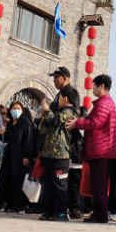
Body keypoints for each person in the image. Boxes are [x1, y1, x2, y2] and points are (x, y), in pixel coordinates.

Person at [67, 74, 116, 223]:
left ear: (102, 86)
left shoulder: (104, 104)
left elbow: (95, 123)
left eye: (94, 86)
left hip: (102, 150)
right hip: (99, 149)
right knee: (97, 185)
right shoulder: (103, 103)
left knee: (100, 185)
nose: (93, 89)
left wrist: (78, 123)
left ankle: (101, 215)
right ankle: (98, 213)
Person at [37, 81, 78, 221]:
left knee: (60, 186)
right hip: (49, 154)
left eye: (59, 97)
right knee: (48, 185)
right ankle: (48, 211)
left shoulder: (69, 112)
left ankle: (61, 213)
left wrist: (47, 110)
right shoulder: (58, 111)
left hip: (60, 156)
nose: (58, 100)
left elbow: (55, 121)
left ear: (65, 98)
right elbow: (42, 128)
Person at [1, 100, 37, 213]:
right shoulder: (11, 124)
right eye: (14, 108)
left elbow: (28, 140)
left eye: (18, 108)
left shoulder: (24, 122)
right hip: (11, 157)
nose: (16, 110)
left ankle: (20, 205)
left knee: (19, 182)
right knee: (10, 180)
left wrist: (27, 156)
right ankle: (12, 205)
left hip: (21, 157)